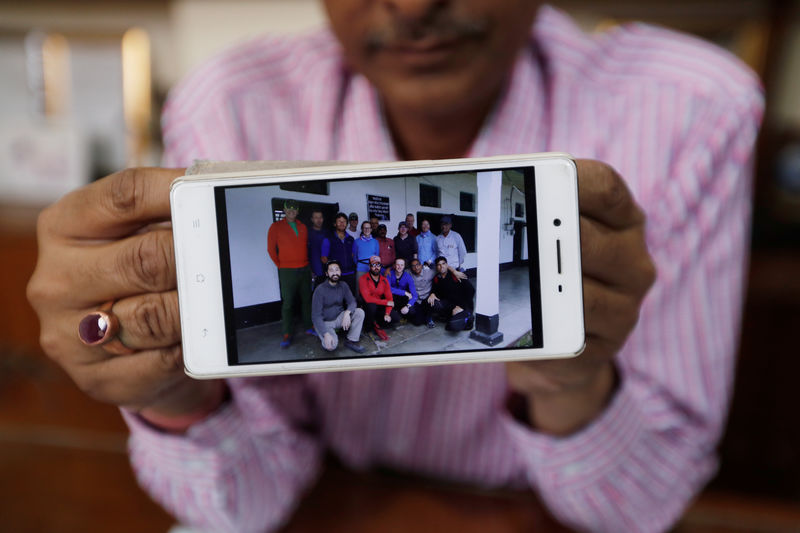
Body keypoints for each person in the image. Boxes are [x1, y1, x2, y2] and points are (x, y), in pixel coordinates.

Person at [26, 2, 764, 532]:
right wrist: (179, 399)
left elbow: (638, 511)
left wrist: (569, 379)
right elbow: (247, 505)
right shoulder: (235, 103)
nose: (413, 7)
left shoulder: (688, 108)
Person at [267, 199, 314, 348]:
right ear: (285, 210)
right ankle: (287, 333)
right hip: (287, 271)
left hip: (305, 269)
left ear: (298, 211)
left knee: (307, 300)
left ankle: (308, 327)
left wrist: (309, 266)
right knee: (288, 303)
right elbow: (270, 249)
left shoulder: (303, 226)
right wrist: (281, 265)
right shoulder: (275, 227)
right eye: (289, 209)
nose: (291, 212)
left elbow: (306, 248)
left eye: (294, 210)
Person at [311, 260, 366, 354]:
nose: (335, 273)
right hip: (326, 322)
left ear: (340, 272)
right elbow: (316, 316)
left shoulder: (343, 285)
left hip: (339, 317)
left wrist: (347, 313)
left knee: (359, 312)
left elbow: (352, 301)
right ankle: (322, 332)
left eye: (337, 270)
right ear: (327, 273)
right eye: (331, 270)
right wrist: (325, 334)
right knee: (331, 346)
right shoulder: (320, 290)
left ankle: (351, 340)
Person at [408, 257, 466, 327]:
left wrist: (454, 271)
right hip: (416, 300)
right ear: (410, 267)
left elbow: (443, 267)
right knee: (417, 322)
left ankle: (429, 317)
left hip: (427, 299)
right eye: (413, 266)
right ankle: (420, 315)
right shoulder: (408, 273)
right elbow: (398, 269)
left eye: (417, 265)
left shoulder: (429, 272)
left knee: (432, 303)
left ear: (421, 265)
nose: (416, 267)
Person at [359, 255, 400, 341]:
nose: (376, 267)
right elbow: (367, 299)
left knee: (395, 318)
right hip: (368, 306)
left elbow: (390, 299)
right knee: (371, 306)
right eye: (373, 265)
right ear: (369, 266)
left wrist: (387, 314)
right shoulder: (363, 278)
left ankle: (377, 322)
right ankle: (368, 325)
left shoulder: (384, 280)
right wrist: (385, 302)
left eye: (378, 265)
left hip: (378, 305)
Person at [428, 256, 475, 331]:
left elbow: (471, 290)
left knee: (454, 326)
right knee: (433, 302)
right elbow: (434, 289)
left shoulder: (457, 275)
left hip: (463, 304)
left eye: (443, 264)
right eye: (439, 265)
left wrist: (461, 307)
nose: (441, 266)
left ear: (447, 265)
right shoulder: (437, 278)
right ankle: (449, 317)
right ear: (436, 267)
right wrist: (432, 294)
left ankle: (468, 317)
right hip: (450, 304)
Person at [322, 213, 358, 297]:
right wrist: (332, 271)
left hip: (350, 274)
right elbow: (324, 258)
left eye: (344, 222)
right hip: (337, 275)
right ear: (335, 224)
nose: (342, 224)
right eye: (339, 221)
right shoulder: (328, 239)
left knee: (350, 297)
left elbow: (353, 255)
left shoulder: (351, 239)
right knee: (337, 299)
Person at [353, 220, 379, 300]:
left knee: (372, 288)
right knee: (359, 289)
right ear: (362, 229)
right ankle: (359, 306)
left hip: (372, 268)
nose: (367, 230)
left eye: (368, 228)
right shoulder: (356, 241)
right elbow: (354, 256)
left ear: (371, 229)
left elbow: (377, 256)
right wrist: (359, 264)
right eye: (365, 228)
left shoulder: (375, 242)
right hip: (360, 268)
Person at [308, 209, 330, 288]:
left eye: (320, 217)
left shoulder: (328, 233)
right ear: (312, 219)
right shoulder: (308, 233)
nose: (318, 220)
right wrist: (310, 270)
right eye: (316, 217)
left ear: (323, 219)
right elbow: (305, 253)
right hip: (315, 271)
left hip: (327, 270)